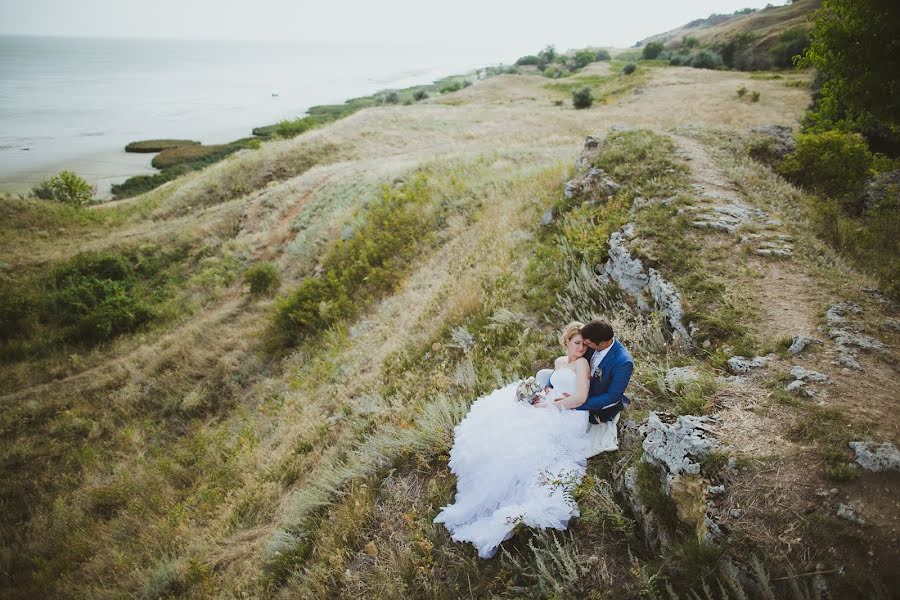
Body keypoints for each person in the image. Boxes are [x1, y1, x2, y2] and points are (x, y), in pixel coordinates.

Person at [433, 322, 592, 559]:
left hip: (570, 413)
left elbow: (580, 397)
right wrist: (543, 395)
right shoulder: (560, 362)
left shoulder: (582, 364)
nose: (580, 348)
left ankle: (515, 492)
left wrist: (552, 405)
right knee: (508, 422)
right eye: (576, 343)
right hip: (552, 404)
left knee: (532, 439)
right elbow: (553, 386)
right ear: (567, 341)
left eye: (584, 345)